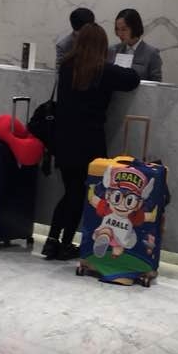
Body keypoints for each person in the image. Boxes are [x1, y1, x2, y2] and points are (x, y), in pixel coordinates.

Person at [43, 23, 140, 260]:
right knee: (78, 194)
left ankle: (53, 241)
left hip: (63, 139)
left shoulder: (67, 67)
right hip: (88, 142)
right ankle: (64, 243)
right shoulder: (103, 70)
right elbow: (133, 79)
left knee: (70, 191)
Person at [111, 8, 163, 81]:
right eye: (117, 29)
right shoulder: (113, 50)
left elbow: (156, 83)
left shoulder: (152, 53)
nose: (119, 34)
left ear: (135, 28)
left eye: (124, 29)